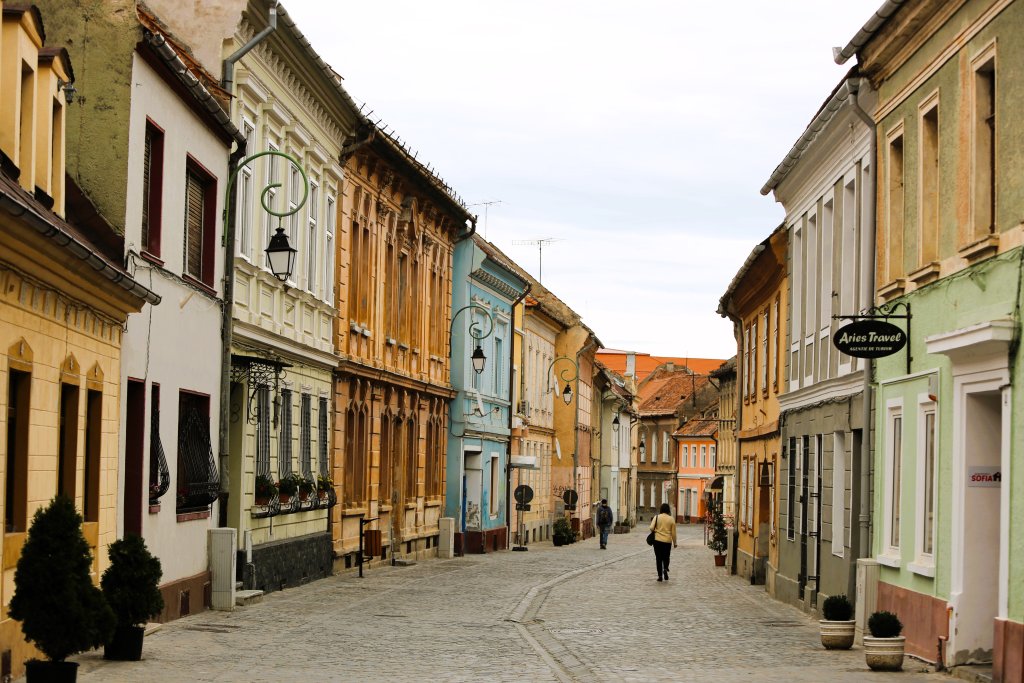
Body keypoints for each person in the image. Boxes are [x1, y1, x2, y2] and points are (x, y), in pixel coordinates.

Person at [649, 502, 677, 581]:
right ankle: (665, 568)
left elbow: (651, 528)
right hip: (667, 541)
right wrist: (675, 543)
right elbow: (673, 533)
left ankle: (660, 576)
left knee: (658, 558)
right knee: (666, 556)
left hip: (657, 541)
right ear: (668, 510)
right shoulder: (671, 519)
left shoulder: (657, 517)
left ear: (661, 509)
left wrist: (656, 530)